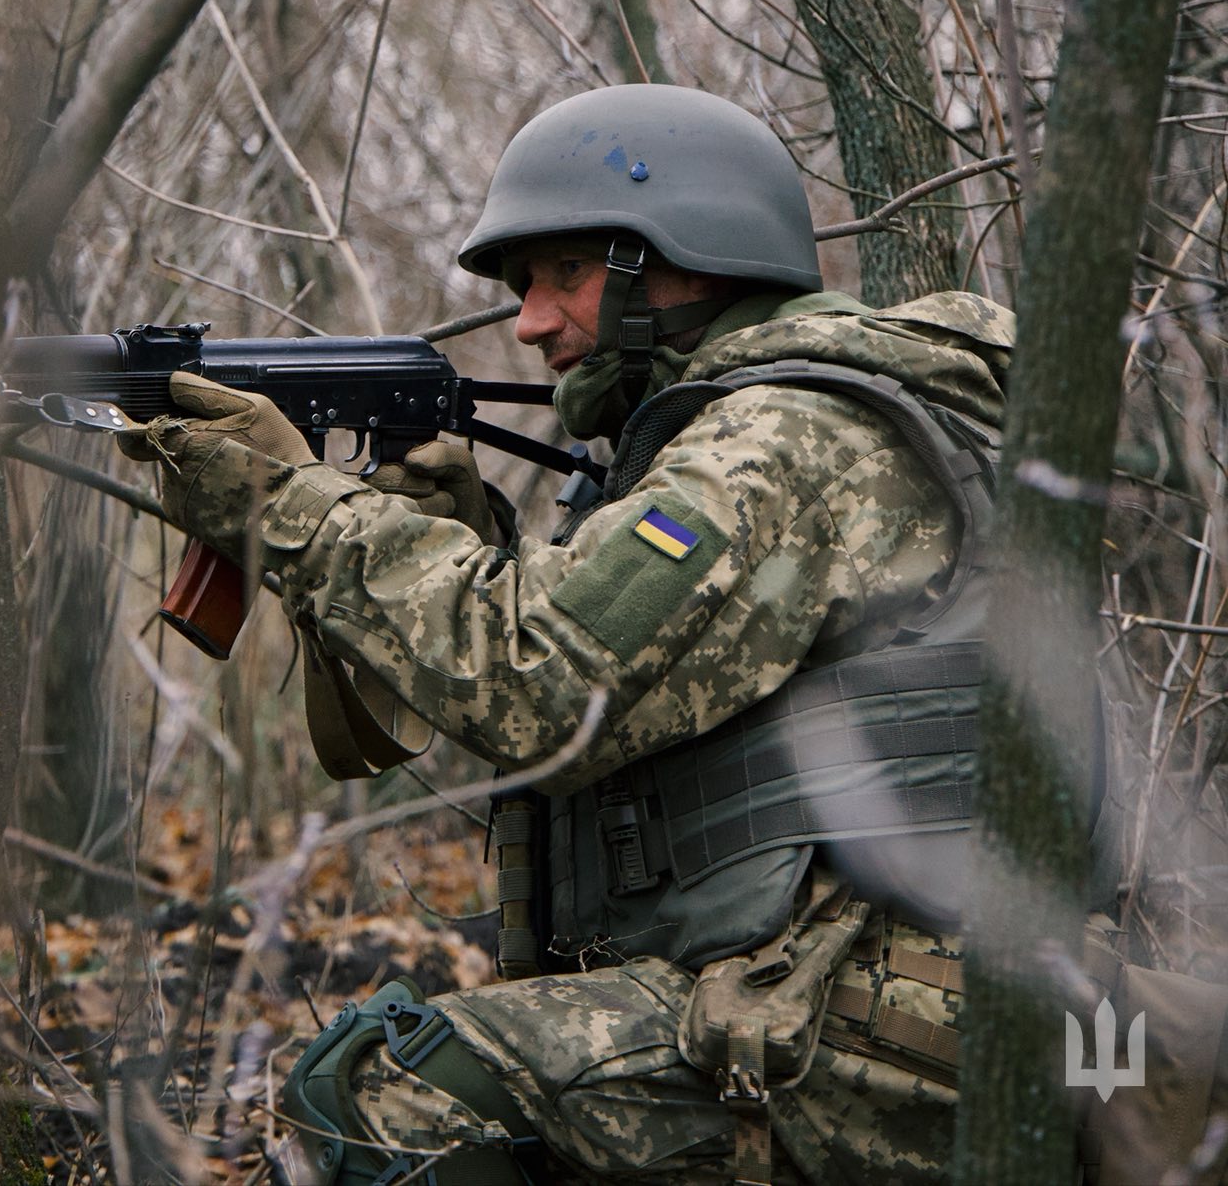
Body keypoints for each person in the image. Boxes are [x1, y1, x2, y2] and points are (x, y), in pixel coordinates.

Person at [121, 84, 1018, 1184]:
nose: (531, 322)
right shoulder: (734, 433)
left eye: (564, 274)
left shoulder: (781, 441)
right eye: (521, 288)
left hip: (893, 1019)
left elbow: (540, 681)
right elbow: (618, 696)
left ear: (685, 260)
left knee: (379, 1095)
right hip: (838, 989)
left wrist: (300, 508)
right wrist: (458, 544)